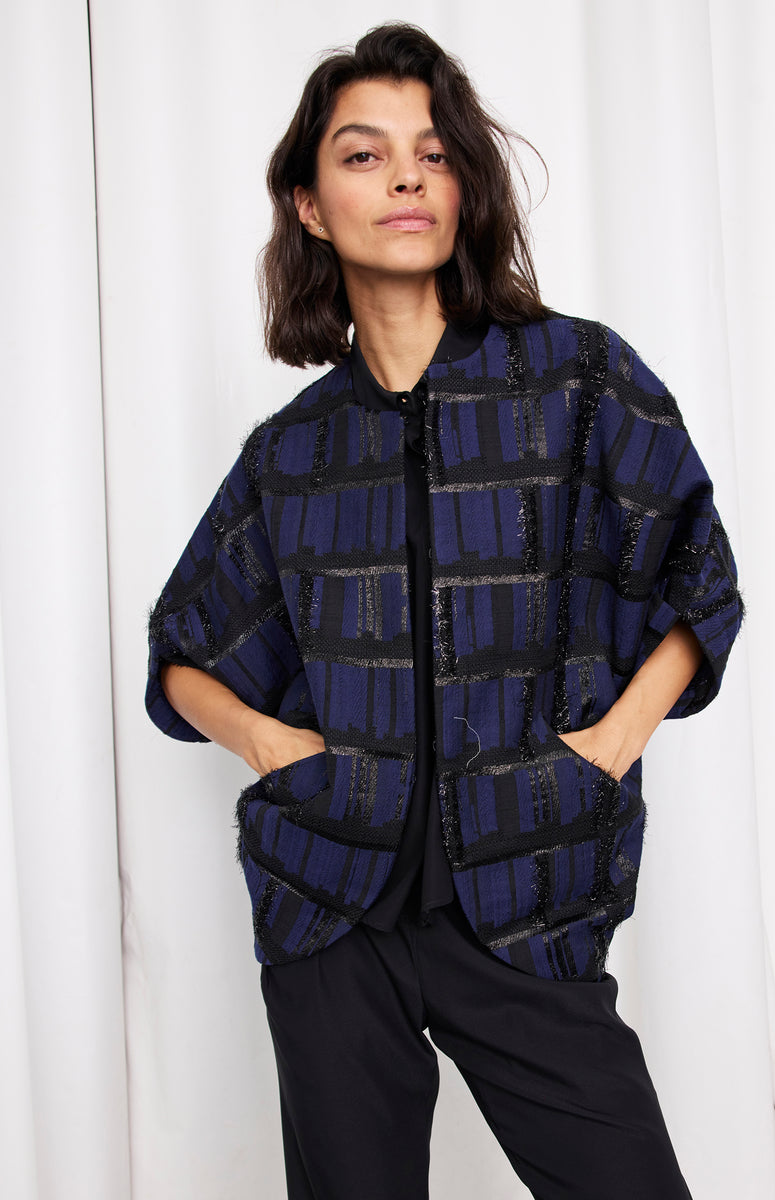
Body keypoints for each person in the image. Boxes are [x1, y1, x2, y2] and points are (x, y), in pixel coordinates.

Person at [146, 21, 743, 1200]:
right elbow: (184, 654)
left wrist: (610, 750)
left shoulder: (578, 382)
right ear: (311, 207)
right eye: (363, 155)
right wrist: (269, 746)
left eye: (433, 151)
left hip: (525, 885)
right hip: (333, 914)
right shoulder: (292, 452)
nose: (406, 176)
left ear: (464, 184)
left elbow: (699, 578)